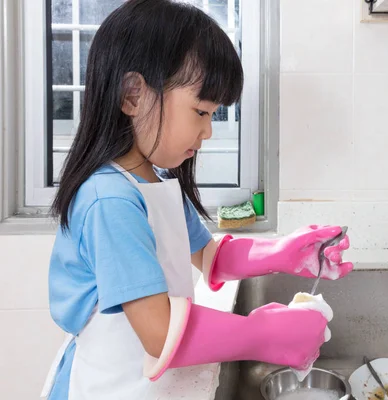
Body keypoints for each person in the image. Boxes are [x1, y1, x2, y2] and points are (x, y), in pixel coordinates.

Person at [40, 1, 353, 399]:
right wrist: (263, 333)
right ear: (134, 95)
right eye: (201, 112)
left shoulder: (152, 182)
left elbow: (211, 255)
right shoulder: (110, 202)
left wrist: (284, 252)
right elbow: (158, 331)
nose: (207, 132)